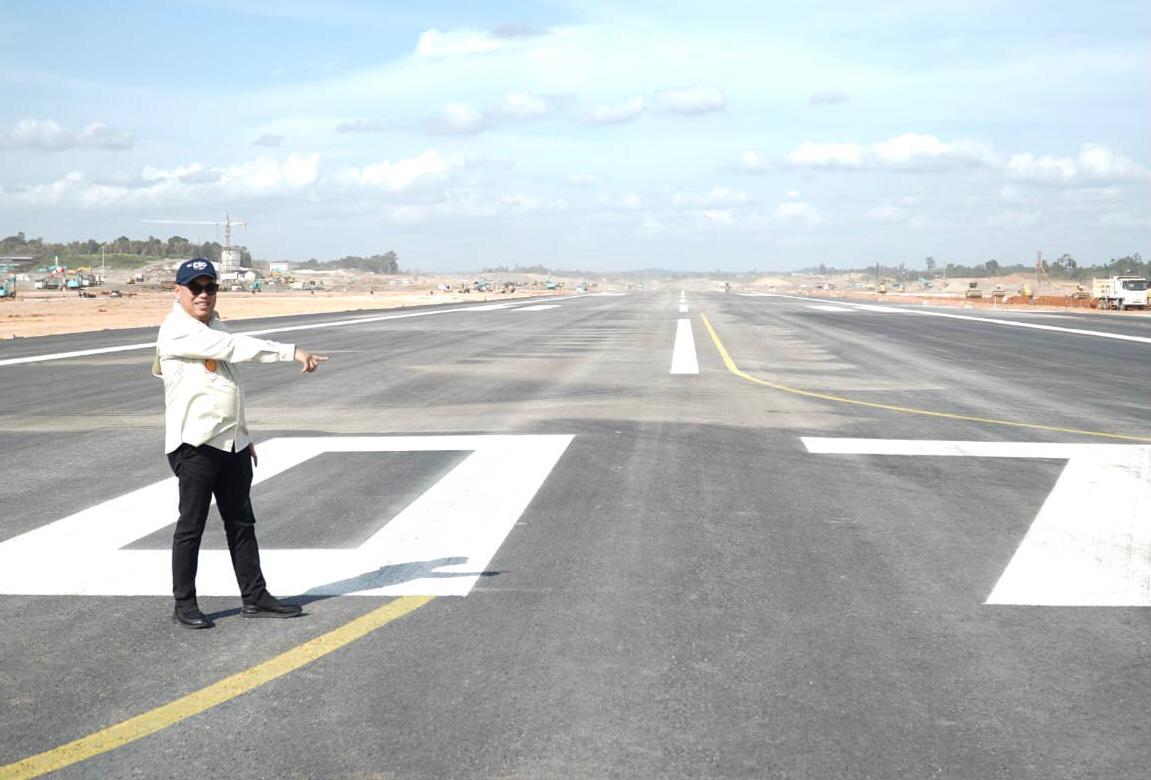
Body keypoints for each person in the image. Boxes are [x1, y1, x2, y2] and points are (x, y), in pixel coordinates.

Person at [153, 258, 328, 629]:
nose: (203, 295)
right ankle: (184, 604)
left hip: (229, 444)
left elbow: (229, 385)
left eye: (210, 287)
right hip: (195, 445)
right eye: (195, 288)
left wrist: (242, 435)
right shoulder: (176, 330)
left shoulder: (214, 325)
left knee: (241, 522)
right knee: (191, 526)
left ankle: (255, 596)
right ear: (178, 291)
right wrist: (291, 350)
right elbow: (234, 349)